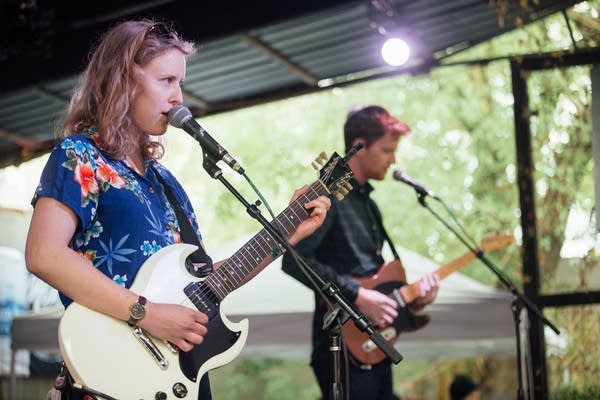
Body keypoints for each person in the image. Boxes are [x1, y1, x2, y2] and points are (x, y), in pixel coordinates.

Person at [24, 19, 331, 400]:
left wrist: (284, 235)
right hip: (109, 374)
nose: (178, 97)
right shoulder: (81, 157)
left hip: (174, 378)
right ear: (122, 80)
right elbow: (44, 255)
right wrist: (147, 313)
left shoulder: (165, 182)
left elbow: (204, 281)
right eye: (166, 80)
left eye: (180, 83)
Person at [282, 105, 440, 400]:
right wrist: (356, 295)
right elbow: (294, 260)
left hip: (374, 343)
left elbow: (375, 280)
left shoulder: (370, 206)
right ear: (359, 147)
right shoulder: (328, 197)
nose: (393, 160)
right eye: (387, 150)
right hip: (341, 346)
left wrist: (411, 301)